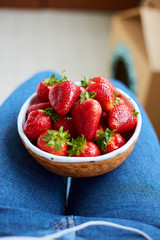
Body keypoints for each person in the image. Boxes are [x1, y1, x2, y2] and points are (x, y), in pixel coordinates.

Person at [0, 71, 159, 240]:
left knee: (46, 75)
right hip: (130, 230)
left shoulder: (84, 108)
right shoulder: (80, 108)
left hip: (13, 223)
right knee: (115, 85)